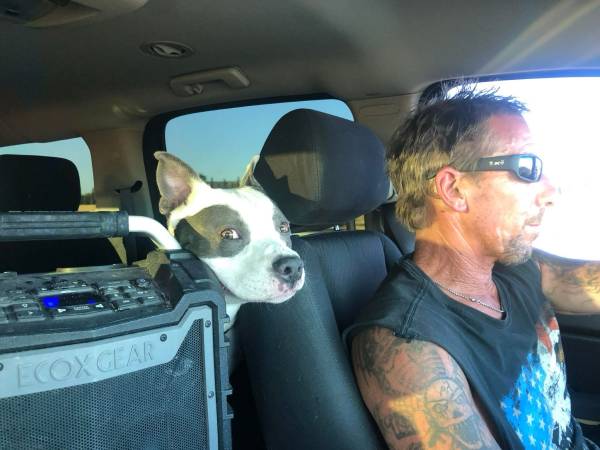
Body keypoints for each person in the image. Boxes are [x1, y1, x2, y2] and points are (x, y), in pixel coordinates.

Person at [345, 87, 600, 449]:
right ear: (453, 189)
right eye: (527, 168)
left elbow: (588, 285)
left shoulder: (517, 266)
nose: (550, 193)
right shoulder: (408, 346)